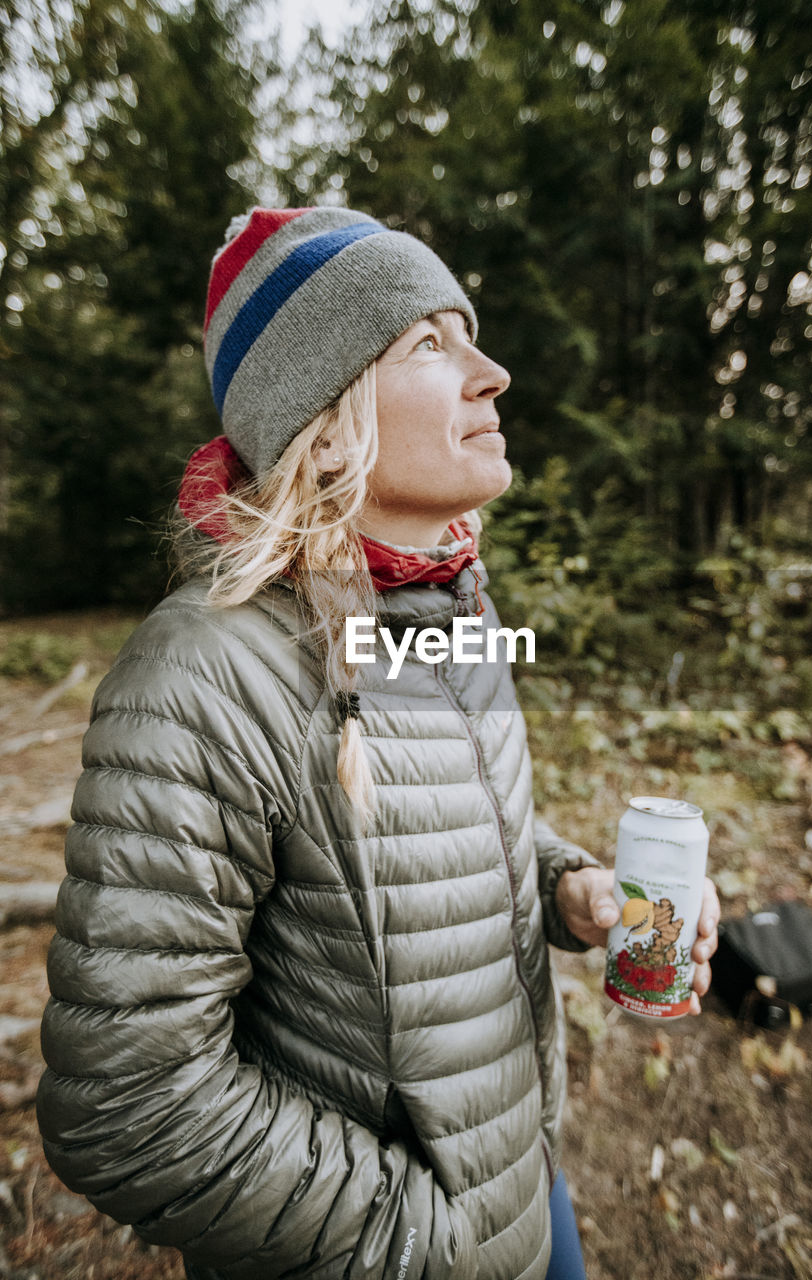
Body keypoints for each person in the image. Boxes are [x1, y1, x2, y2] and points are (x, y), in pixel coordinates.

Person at [37, 206, 719, 1280]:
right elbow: (124, 1103)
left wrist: (568, 883)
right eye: (431, 344)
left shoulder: (456, 610)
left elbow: (440, 826)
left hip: (530, 1184)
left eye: (472, 334)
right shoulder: (204, 674)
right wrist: (423, 1233)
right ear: (326, 404)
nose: (493, 374)